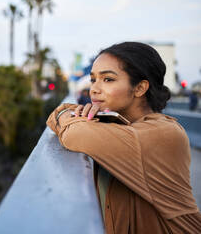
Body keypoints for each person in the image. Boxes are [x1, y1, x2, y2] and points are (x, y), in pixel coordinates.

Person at [46, 42, 201, 233]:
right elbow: (59, 118)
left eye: (108, 79)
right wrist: (69, 115)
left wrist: (66, 114)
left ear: (139, 88)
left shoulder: (160, 133)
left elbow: (75, 133)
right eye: (93, 79)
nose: (94, 88)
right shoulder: (122, 126)